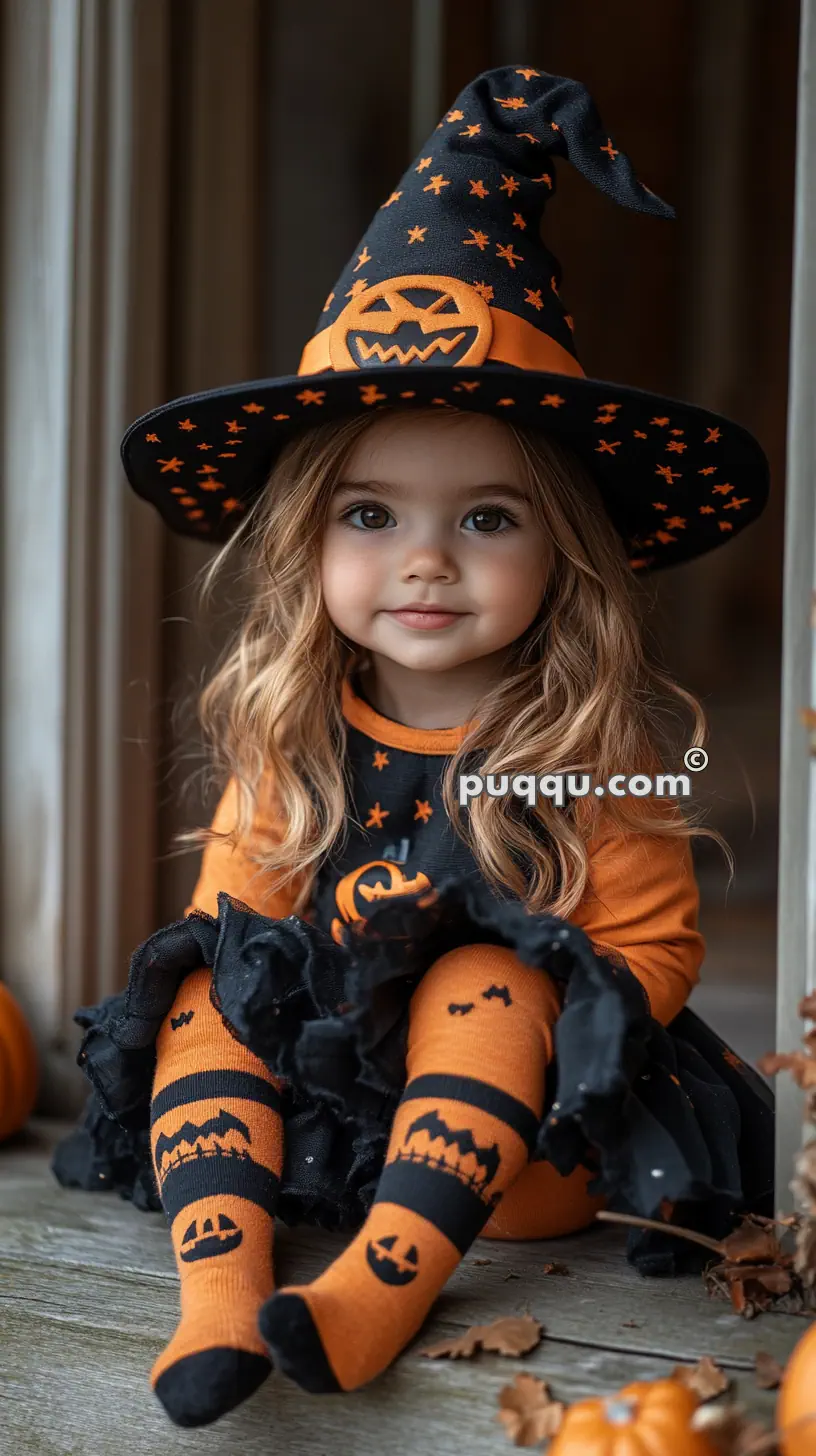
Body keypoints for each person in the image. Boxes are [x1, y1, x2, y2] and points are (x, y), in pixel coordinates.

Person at [52, 65, 774, 1429]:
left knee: (487, 979)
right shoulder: (295, 742)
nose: (427, 560)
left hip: (533, 1149)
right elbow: (231, 925)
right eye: (373, 515)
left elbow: (664, 957)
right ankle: (221, 1287)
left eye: (488, 519)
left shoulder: (585, 755)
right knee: (203, 990)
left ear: (566, 551)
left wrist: (496, 949)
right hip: (322, 1125)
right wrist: (319, 963)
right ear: (307, 543)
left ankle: (383, 1284)